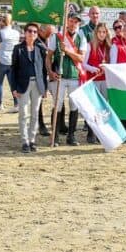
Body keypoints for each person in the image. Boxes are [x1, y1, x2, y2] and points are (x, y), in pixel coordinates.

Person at [51, 12, 89, 145]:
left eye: (76, 22)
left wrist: (67, 51)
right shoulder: (57, 36)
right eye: (71, 21)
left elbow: (81, 58)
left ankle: (71, 136)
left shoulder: (81, 37)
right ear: (67, 21)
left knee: (74, 106)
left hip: (74, 76)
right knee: (57, 105)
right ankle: (55, 136)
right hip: (60, 76)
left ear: (79, 24)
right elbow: (48, 56)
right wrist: (50, 71)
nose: (73, 24)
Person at [10, 22, 48, 152]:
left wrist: (44, 87)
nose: (32, 33)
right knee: (23, 113)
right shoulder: (18, 49)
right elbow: (13, 69)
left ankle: (32, 140)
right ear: (25, 33)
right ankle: (25, 141)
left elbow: (43, 70)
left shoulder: (40, 48)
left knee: (35, 113)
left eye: (35, 32)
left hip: (37, 84)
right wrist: (13, 88)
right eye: (30, 31)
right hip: (22, 84)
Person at [0, 14, 20, 113]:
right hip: (12, 60)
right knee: (13, 84)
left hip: (2, 59)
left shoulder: (0, 32)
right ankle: (16, 104)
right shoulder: (16, 33)